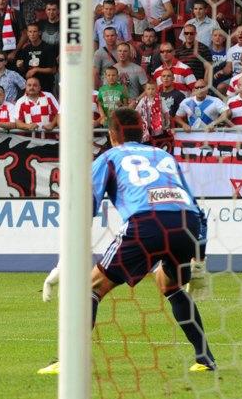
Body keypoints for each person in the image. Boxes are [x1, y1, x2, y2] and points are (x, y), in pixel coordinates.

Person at [38, 108, 216, 375]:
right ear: (142, 132)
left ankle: (70, 361)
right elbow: (196, 209)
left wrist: (65, 261)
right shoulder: (164, 156)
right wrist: (200, 260)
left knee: (90, 287)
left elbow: (85, 210)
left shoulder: (109, 157)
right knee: (169, 284)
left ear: (111, 135)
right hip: (185, 224)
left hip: (147, 222)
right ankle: (205, 359)